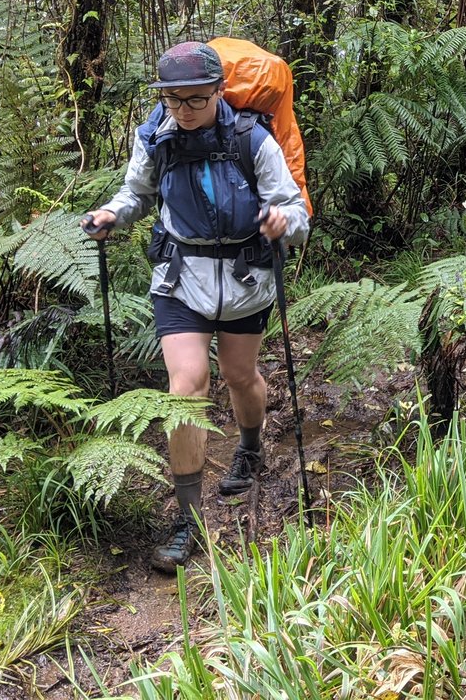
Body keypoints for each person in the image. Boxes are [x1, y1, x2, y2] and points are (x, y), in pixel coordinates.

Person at [82, 41, 308, 572]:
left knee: (240, 377)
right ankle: (189, 520)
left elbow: (294, 207)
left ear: (217, 93)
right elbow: (135, 194)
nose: (182, 111)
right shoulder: (156, 136)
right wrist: (112, 214)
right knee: (186, 386)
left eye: (195, 100)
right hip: (181, 278)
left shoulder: (252, 138)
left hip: (245, 277)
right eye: (173, 100)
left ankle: (249, 446)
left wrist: (282, 223)